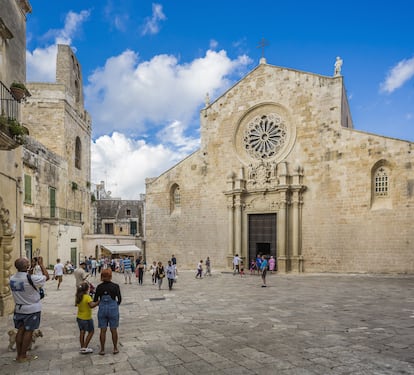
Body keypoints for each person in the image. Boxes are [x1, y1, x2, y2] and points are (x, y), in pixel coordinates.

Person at [9, 256, 49, 362]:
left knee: (20, 331)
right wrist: (41, 264)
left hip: (19, 308)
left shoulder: (12, 278)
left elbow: (25, 283)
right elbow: (46, 277)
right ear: (26, 266)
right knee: (29, 331)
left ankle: (18, 355)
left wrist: (29, 271)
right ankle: (23, 355)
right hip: (31, 309)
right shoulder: (32, 278)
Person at [93, 269, 121, 355]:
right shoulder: (115, 286)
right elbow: (119, 299)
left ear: (102, 277)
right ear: (110, 276)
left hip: (102, 310)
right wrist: (115, 305)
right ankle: (115, 348)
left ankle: (102, 349)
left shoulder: (99, 287)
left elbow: (95, 300)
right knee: (113, 330)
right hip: (113, 309)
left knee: (103, 330)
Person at [75, 282, 99, 354]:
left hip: (79, 317)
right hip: (87, 318)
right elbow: (91, 305)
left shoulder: (78, 296)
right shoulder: (87, 297)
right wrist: (98, 302)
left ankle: (82, 347)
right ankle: (85, 347)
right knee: (91, 331)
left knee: (82, 332)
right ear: (87, 289)